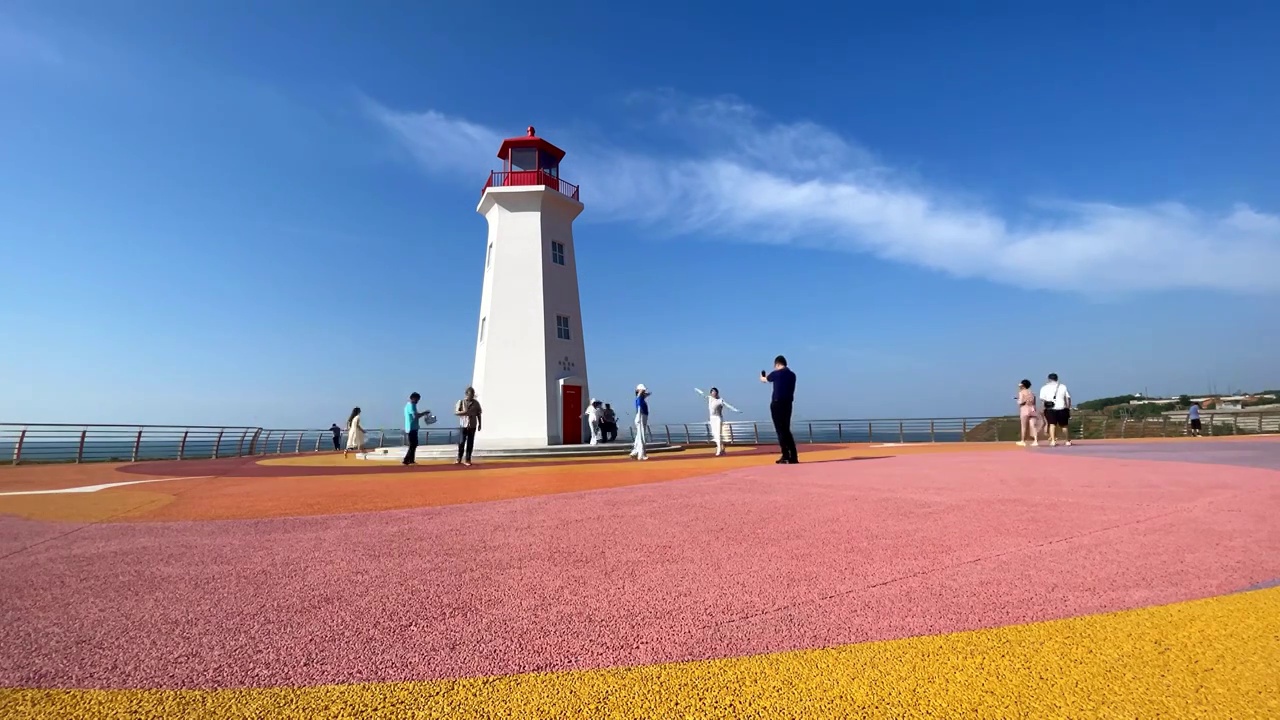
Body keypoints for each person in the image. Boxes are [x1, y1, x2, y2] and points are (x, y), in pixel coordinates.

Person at [760, 355, 798, 464]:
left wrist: (762, 376)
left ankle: (785, 454)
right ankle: (793, 455)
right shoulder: (792, 375)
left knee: (780, 430)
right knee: (786, 429)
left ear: (777, 364)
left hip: (777, 403)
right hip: (788, 404)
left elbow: (764, 379)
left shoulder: (776, 374)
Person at [697, 387, 741, 456]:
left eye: (715, 392)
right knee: (715, 434)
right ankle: (722, 449)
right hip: (712, 418)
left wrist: (735, 410)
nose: (713, 393)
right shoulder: (710, 398)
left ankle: (719, 449)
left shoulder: (720, 400)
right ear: (711, 393)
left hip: (718, 418)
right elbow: (703, 394)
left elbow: (727, 405)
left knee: (718, 434)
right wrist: (697, 390)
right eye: (712, 392)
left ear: (717, 393)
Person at [1038, 373, 1072, 447]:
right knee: (1064, 426)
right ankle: (1067, 440)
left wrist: (1043, 408)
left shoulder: (1044, 388)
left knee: (1052, 425)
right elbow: (1068, 398)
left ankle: (1053, 441)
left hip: (1050, 409)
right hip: (1062, 408)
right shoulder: (1063, 386)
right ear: (1057, 379)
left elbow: (1042, 400)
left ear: (1049, 379)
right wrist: (1068, 407)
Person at [453, 387, 482, 465]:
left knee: (470, 443)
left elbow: (479, 414)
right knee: (461, 442)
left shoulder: (476, 403)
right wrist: (465, 412)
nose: (472, 396)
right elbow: (456, 412)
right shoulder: (461, 402)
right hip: (463, 425)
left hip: (472, 425)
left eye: (473, 394)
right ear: (466, 394)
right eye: (470, 394)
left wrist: (480, 424)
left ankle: (468, 459)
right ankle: (459, 458)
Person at [403, 392, 431, 465]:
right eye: (417, 399)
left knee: (413, 444)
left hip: (412, 427)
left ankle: (409, 460)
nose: (417, 401)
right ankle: (408, 460)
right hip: (411, 428)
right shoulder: (411, 406)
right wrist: (424, 413)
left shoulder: (408, 405)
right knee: (413, 444)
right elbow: (416, 416)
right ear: (413, 398)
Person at [1015, 380, 1040, 447]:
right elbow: (1034, 402)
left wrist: (1018, 400)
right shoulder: (1032, 393)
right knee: (1033, 426)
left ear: (1023, 385)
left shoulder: (1021, 392)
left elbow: (1021, 402)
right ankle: (1036, 441)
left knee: (1023, 426)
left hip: (1025, 409)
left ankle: (1023, 441)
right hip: (1032, 409)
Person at [630, 384, 651, 460]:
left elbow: (645, 395)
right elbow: (639, 409)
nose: (644, 392)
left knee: (639, 436)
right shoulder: (639, 398)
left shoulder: (641, 398)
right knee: (641, 437)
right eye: (643, 391)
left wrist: (646, 393)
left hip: (643, 417)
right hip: (640, 417)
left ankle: (635, 452)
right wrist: (640, 391)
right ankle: (641, 455)